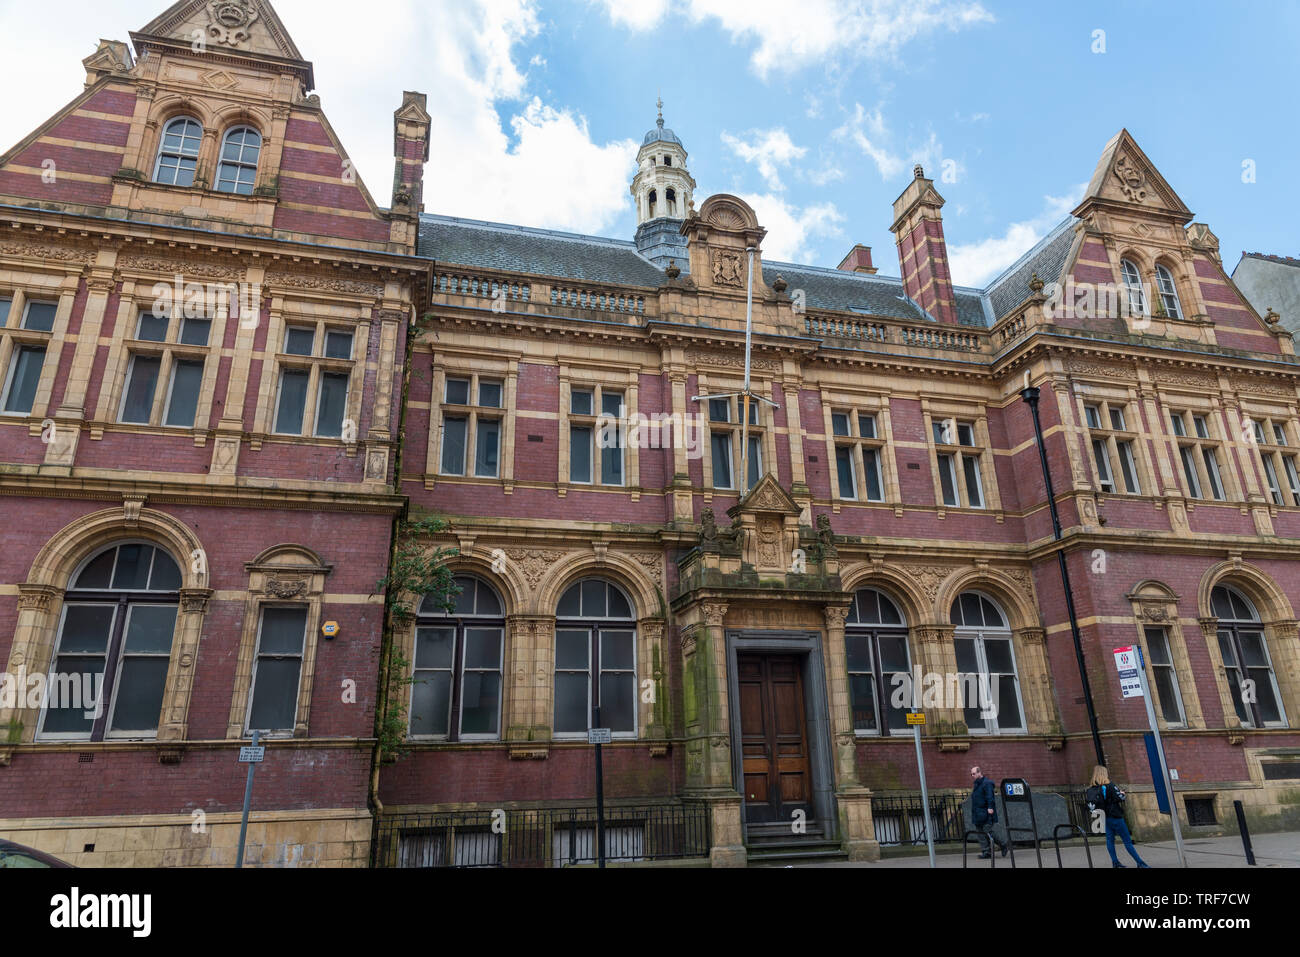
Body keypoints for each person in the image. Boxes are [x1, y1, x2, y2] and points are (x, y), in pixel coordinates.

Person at [1087, 765, 1150, 868]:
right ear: (1104, 773)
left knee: (1110, 841)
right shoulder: (1109, 785)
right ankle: (1140, 863)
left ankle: (1115, 862)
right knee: (1127, 841)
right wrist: (1122, 793)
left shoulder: (1092, 788)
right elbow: (1120, 797)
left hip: (1103, 817)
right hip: (1115, 817)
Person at [969, 766, 1008, 859]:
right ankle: (986, 852)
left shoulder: (987, 783)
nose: (972, 775)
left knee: (987, 831)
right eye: (971, 774)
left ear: (979, 773)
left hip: (986, 812)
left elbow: (990, 797)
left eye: (974, 773)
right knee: (980, 833)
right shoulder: (977, 784)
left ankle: (1003, 845)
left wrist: (990, 807)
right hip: (977, 812)